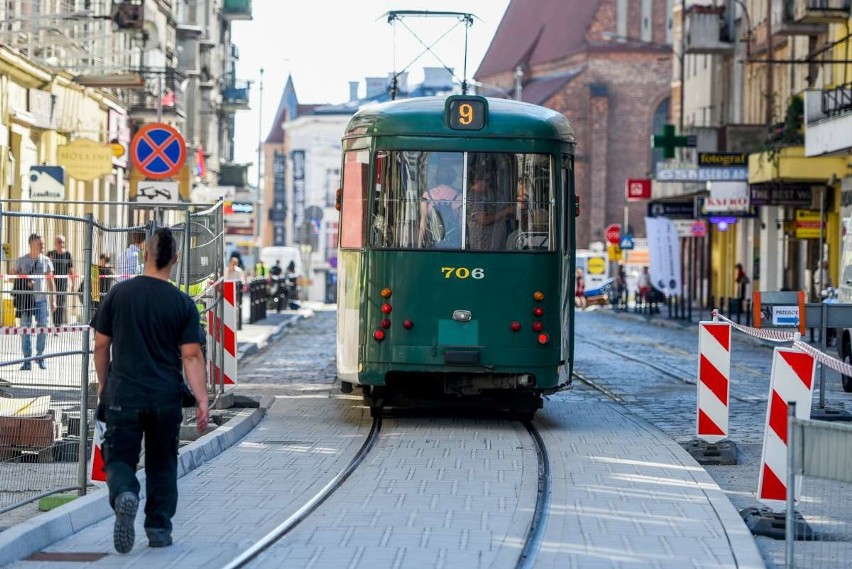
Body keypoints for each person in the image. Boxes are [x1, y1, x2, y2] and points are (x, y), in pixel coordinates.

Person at [93, 227, 208, 554]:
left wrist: (104, 382)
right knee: (162, 462)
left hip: (122, 396)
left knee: (118, 456)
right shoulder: (182, 302)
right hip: (164, 397)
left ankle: (126, 492)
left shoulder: (118, 294)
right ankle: (158, 527)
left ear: (145, 254)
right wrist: (201, 400)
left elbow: (101, 344)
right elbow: (191, 354)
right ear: (175, 259)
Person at [13, 233, 56, 370]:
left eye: (43, 244)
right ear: (32, 244)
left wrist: (53, 300)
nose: (43, 246)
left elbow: (51, 281)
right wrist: (24, 280)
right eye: (40, 244)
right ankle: (27, 360)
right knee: (25, 329)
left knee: (43, 327)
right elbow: (11, 276)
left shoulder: (46, 261)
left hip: (41, 300)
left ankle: (39, 356)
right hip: (26, 300)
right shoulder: (21, 261)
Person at [466, 172, 518, 250]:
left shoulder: (486, 195)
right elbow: (483, 219)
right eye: (486, 181)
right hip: (483, 247)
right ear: (476, 180)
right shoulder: (473, 197)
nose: (488, 184)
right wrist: (505, 211)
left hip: (494, 246)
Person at [419, 168, 462, 248]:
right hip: (453, 242)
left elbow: (423, 222)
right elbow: (460, 223)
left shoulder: (427, 195)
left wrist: (419, 245)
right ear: (452, 178)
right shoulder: (458, 196)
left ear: (436, 178)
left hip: (433, 239)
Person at [47, 234, 75, 328]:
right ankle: (55, 324)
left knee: (60, 304)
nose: (61, 243)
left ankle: (58, 325)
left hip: (63, 284)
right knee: (53, 302)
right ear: (55, 243)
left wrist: (73, 284)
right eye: (59, 241)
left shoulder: (67, 255)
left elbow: (71, 270)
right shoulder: (51, 254)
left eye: (62, 242)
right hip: (52, 283)